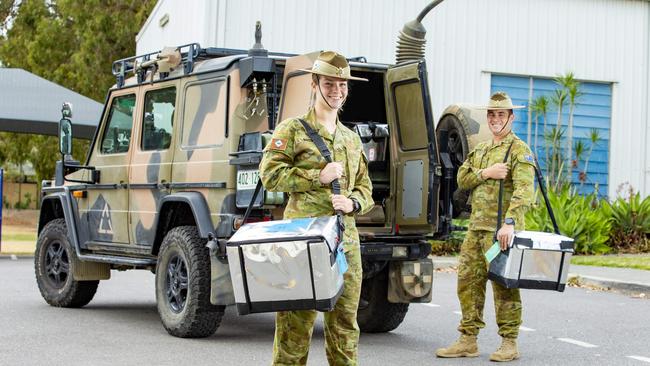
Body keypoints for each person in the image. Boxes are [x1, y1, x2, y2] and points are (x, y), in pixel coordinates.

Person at [259, 51, 374, 366]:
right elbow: (269, 175)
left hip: (344, 244)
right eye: (329, 83)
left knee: (345, 328)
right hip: (303, 241)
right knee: (294, 326)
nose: (337, 90)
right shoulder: (292, 130)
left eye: (342, 84)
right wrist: (316, 177)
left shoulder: (352, 139)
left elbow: (366, 188)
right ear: (314, 84)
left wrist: (353, 203)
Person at [435, 92, 535, 362]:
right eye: (491, 114)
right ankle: (468, 339)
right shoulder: (481, 150)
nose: (495, 119)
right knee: (468, 282)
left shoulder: (519, 150)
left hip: (500, 234)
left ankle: (509, 341)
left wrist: (510, 224)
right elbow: (462, 177)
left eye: (501, 114)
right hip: (477, 231)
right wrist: (486, 173)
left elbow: (525, 191)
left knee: (504, 285)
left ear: (511, 118)